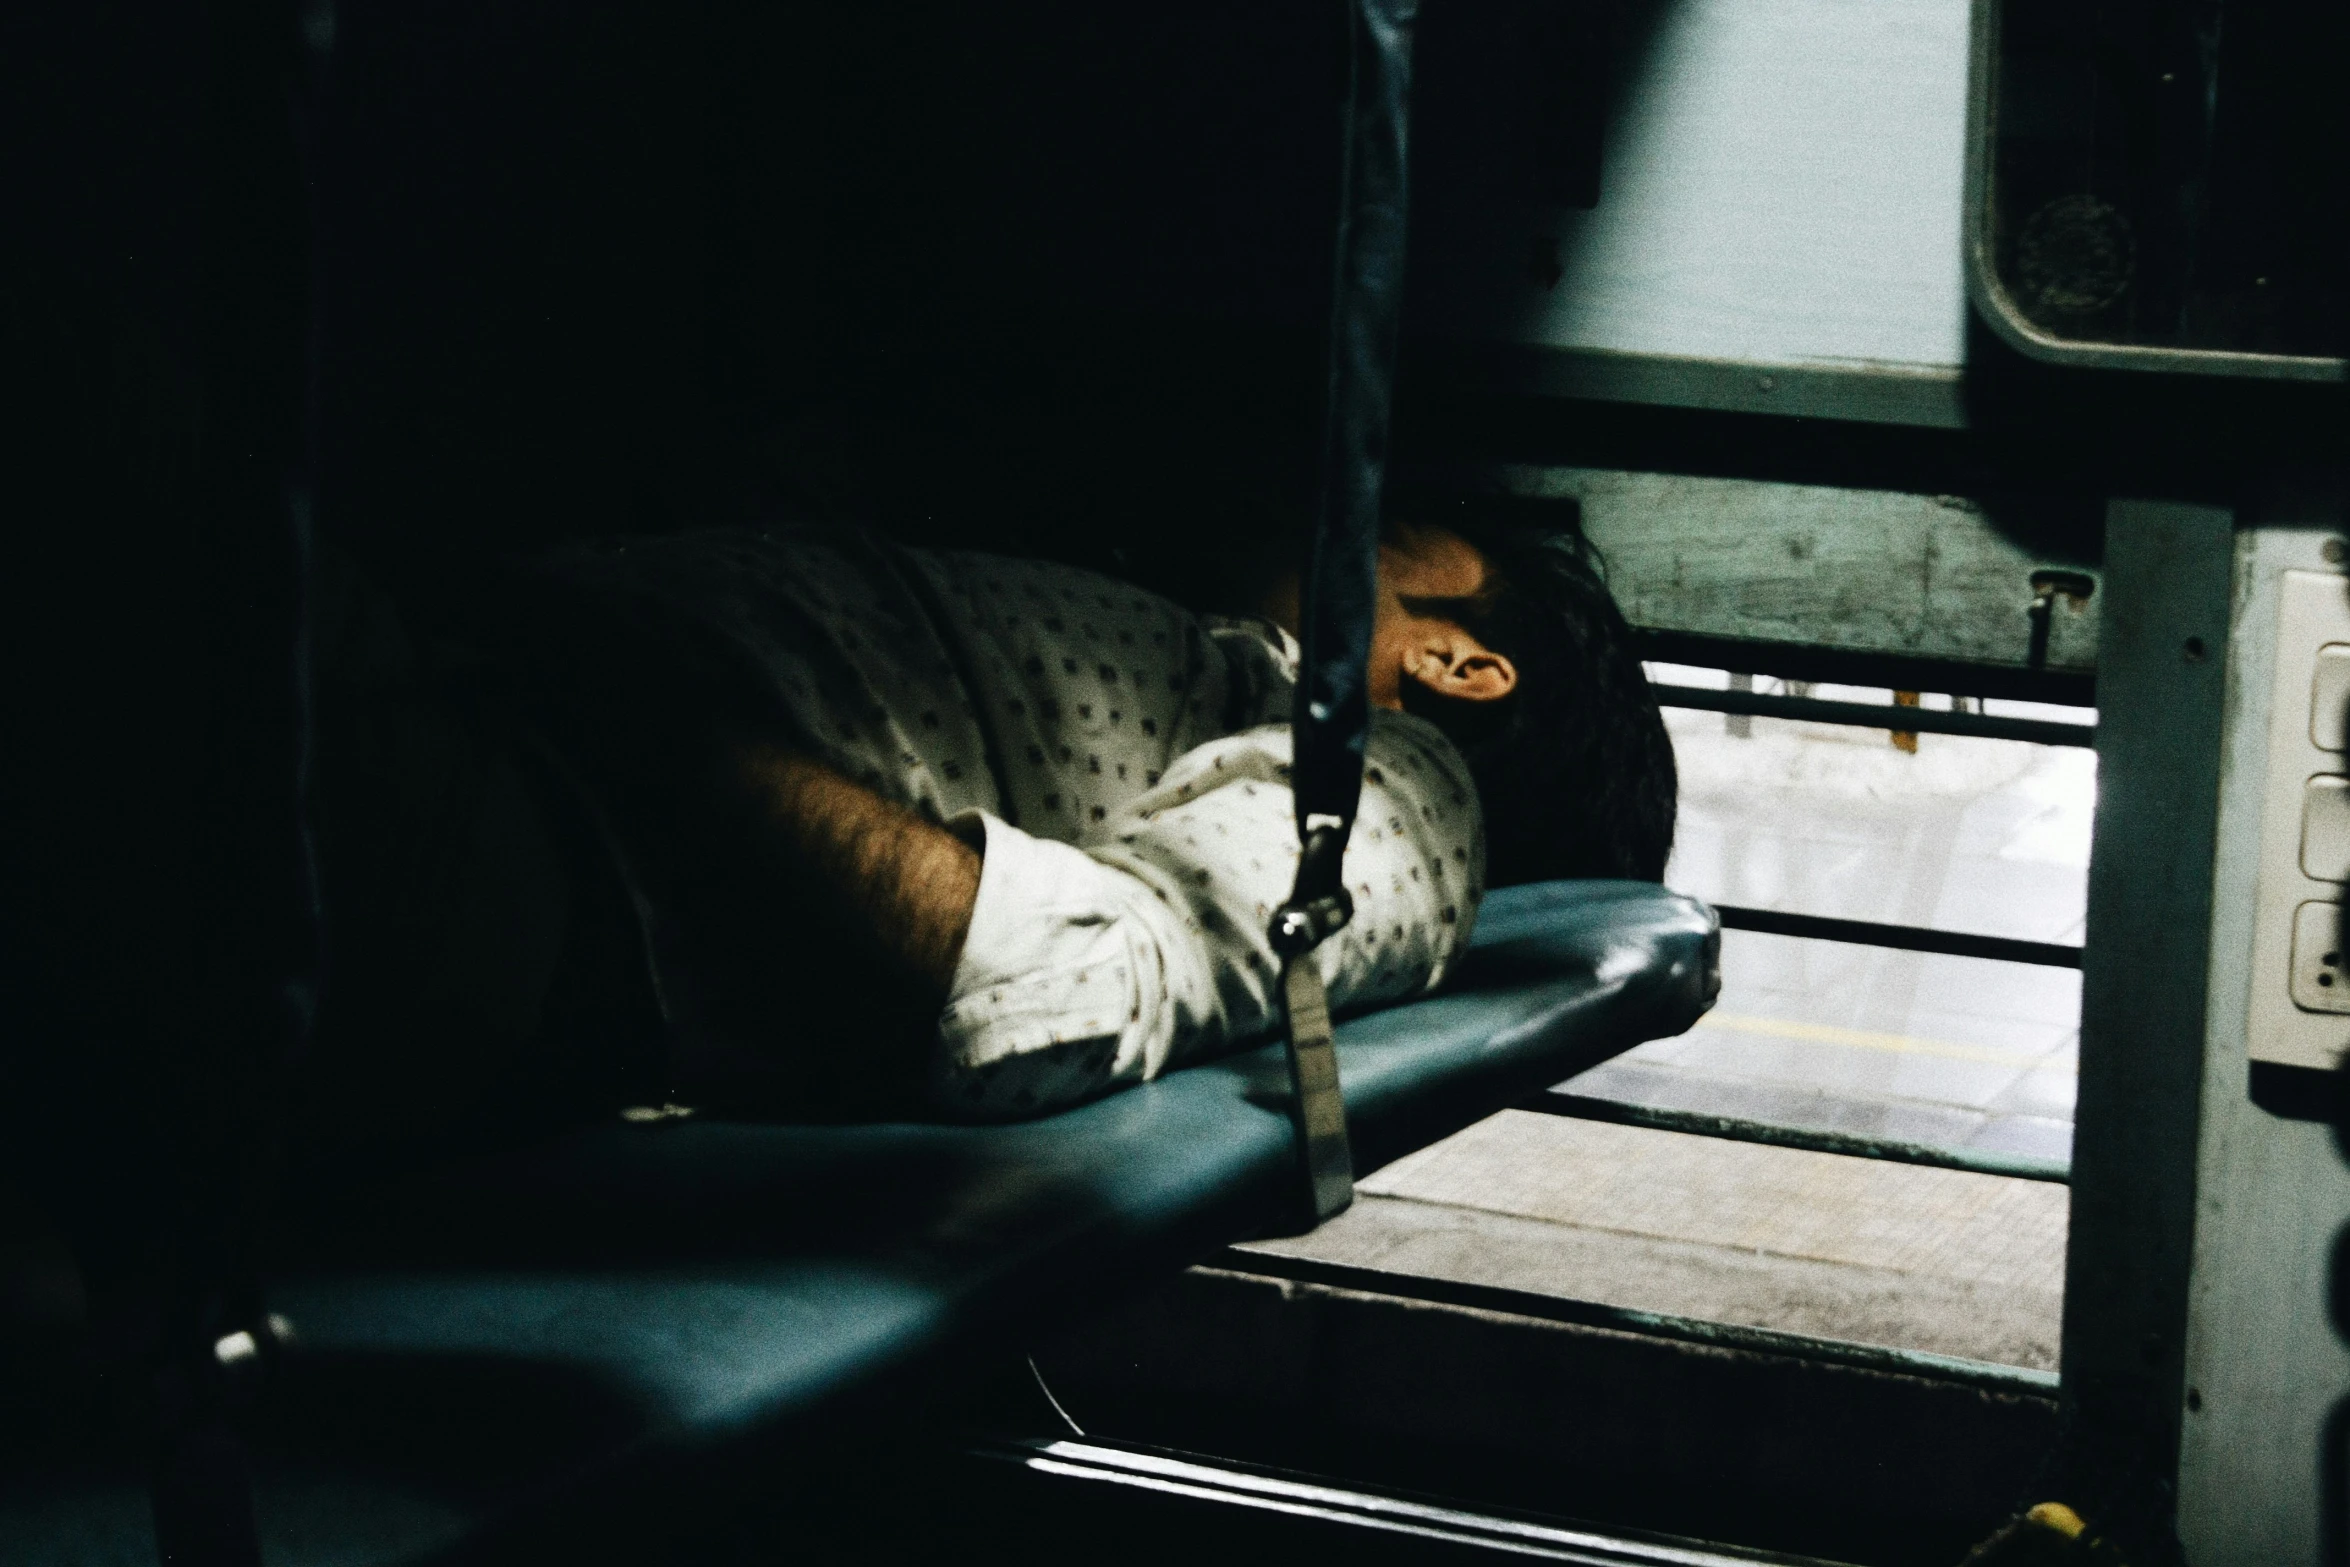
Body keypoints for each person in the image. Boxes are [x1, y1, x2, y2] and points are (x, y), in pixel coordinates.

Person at [297, 509, 1674, 1167]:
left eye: (1406, 534)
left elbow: (1056, 989)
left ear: (1461, 666)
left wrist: (641, 716)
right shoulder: (1221, 691)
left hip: (534, 843)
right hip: (489, 765)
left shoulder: (1407, 806)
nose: (1351, 515)